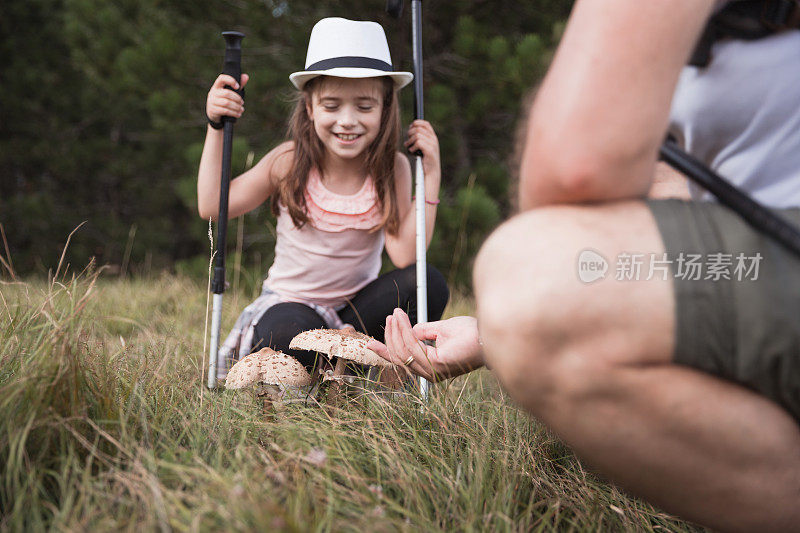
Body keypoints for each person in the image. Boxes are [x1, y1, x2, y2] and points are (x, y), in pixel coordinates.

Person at [368, 1, 800, 530]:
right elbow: (674, 195)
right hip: (754, 264)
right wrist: (487, 336)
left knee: (525, 272)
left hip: (772, 257)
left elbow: (570, 168)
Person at [198, 17, 448, 379]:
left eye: (364, 107)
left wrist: (432, 176)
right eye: (332, 106)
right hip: (292, 304)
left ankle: (357, 365)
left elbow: (405, 255)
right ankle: (334, 373)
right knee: (287, 333)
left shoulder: (391, 168)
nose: (347, 121)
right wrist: (216, 126)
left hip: (357, 311)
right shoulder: (289, 161)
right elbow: (212, 205)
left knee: (429, 282)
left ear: (384, 107)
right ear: (311, 107)